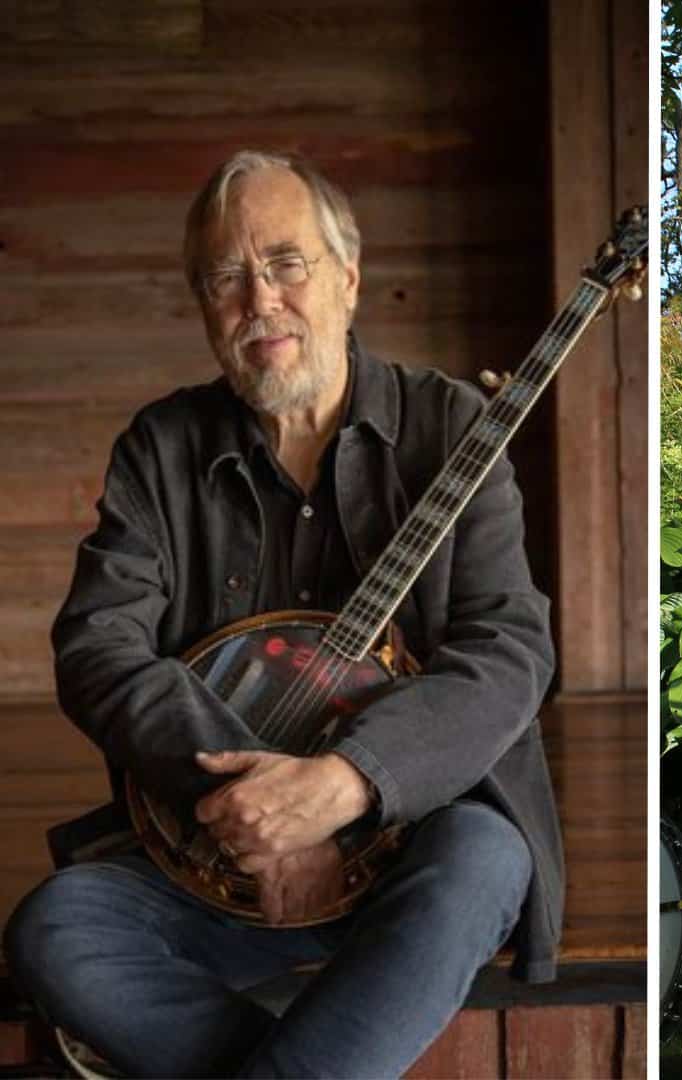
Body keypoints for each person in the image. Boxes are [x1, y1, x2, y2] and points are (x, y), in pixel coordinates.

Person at [2, 150, 563, 1077]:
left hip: (412, 844)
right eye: (226, 276)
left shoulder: (453, 426)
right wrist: (252, 815)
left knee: (485, 859)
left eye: (286, 264)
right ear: (204, 306)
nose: (259, 299)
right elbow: (97, 646)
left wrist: (343, 788)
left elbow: (507, 650)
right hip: (216, 863)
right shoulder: (160, 446)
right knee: (58, 929)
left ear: (347, 276)